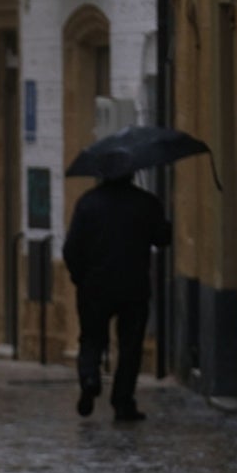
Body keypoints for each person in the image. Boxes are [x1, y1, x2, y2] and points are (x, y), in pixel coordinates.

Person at [62, 172, 171, 422]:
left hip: (95, 286)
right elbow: (162, 238)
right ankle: (123, 402)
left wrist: (81, 278)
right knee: (130, 347)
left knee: (91, 338)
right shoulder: (145, 202)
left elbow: (71, 248)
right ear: (132, 173)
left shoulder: (88, 203)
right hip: (133, 286)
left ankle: (89, 378)